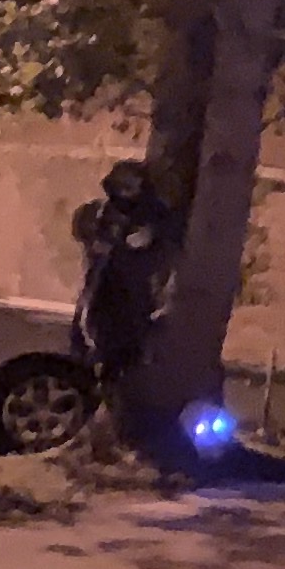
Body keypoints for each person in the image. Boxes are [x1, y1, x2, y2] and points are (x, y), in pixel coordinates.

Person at [69, 161, 179, 415]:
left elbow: (158, 251)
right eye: (123, 185)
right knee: (89, 342)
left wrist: (143, 241)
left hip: (133, 297)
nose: (127, 192)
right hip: (102, 290)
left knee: (124, 353)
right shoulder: (103, 213)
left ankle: (119, 405)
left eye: (132, 185)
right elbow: (89, 236)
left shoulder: (154, 217)